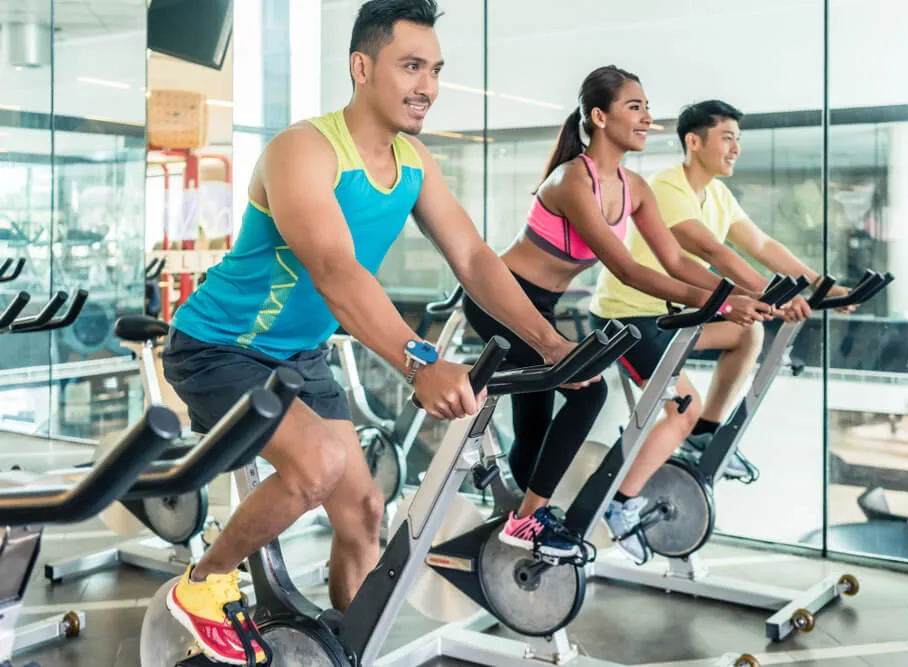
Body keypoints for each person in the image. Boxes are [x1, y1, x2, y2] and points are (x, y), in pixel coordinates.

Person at [158, 1, 592, 663]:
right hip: (220, 347)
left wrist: (549, 341)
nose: (428, 85)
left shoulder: (413, 163)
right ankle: (204, 581)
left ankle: (341, 647)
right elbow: (334, 269)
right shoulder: (302, 150)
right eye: (411, 65)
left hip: (298, 354)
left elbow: (475, 258)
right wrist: (420, 363)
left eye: (436, 69)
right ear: (362, 67)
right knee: (318, 468)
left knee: (364, 513)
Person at [461, 68, 773, 564]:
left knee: (536, 431)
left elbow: (676, 262)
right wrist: (720, 304)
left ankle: (515, 519)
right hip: (497, 299)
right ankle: (526, 520)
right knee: (590, 388)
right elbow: (626, 270)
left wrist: (736, 293)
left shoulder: (636, 187)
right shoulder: (571, 180)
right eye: (635, 107)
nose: (647, 117)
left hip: (539, 307)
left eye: (648, 107)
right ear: (600, 117)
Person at [589, 99, 856, 564]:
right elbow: (713, 250)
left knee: (745, 334)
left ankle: (704, 433)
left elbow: (761, 245)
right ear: (694, 142)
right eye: (727, 138)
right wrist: (772, 295)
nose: (735, 148)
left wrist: (820, 285)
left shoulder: (716, 195)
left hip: (672, 318)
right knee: (681, 409)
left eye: (738, 140)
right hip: (628, 321)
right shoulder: (668, 187)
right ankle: (619, 502)